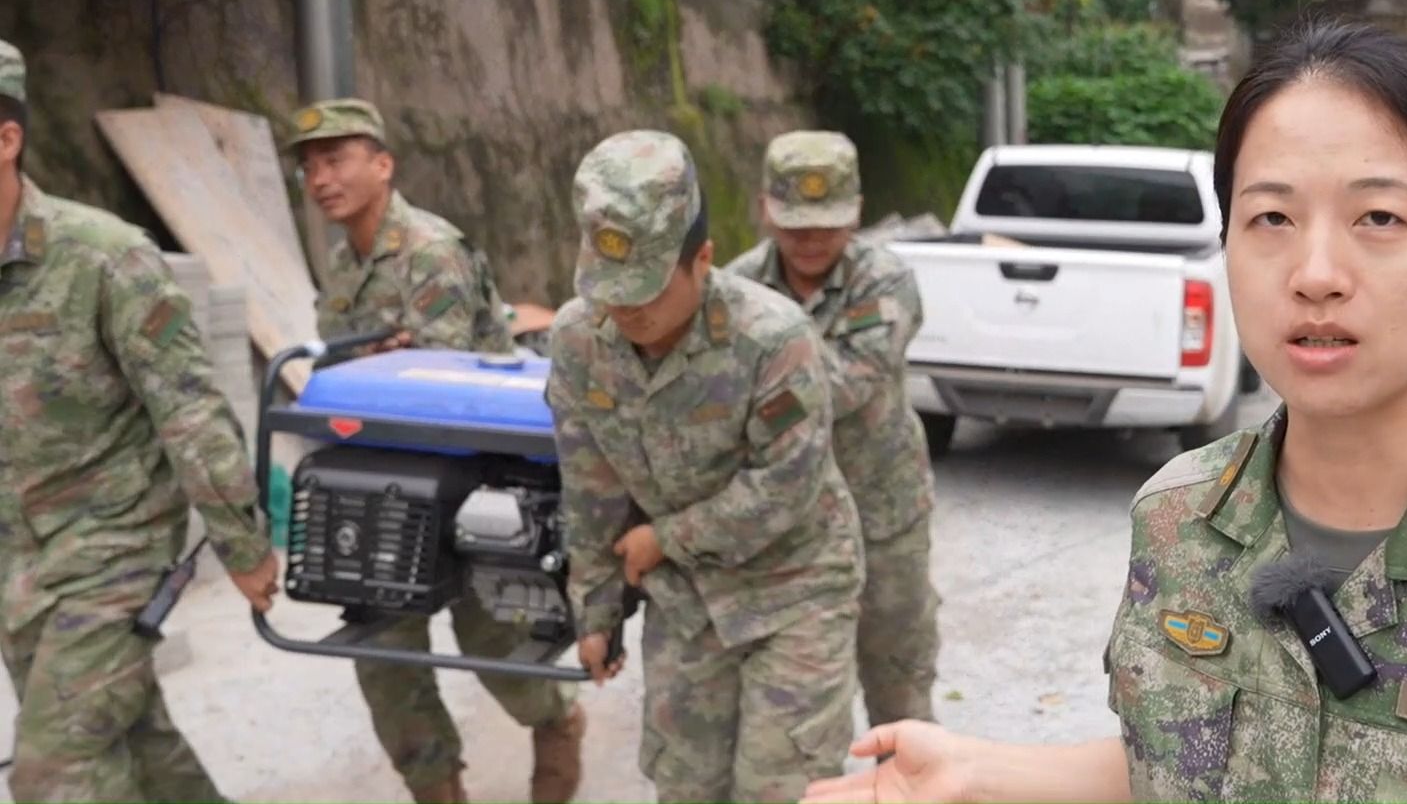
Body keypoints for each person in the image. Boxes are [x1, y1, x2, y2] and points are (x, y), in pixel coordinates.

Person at [801, 19, 1407, 804]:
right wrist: (980, 772)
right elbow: (1194, 762)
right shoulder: (1181, 516)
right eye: (1271, 219)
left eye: (1379, 220)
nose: (1315, 275)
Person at [544, 129, 865, 802]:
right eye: (610, 289)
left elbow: (787, 487)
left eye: (647, 289)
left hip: (795, 589)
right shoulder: (578, 342)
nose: (626, 309)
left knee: (778, 788)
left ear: (703, 261)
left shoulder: (773, 340)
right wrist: (597, 610)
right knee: (687, 785)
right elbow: (590, 487)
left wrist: (666, 538)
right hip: (686, 600)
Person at [0, 38, 279, 802]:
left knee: (54, 771)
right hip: (20, 566)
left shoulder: (104, 258)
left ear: (7, 138)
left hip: (113, 552)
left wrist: (244, 542)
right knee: (136, 746)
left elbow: (189, 409)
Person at [286, 98, 585, 804]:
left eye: (336, 160)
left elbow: (442, 393)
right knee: (386, 667)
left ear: (382, 165)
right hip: (383, 491)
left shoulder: (430, 252)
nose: (320, 179)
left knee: (503, 660)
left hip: (469, 490)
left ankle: (558, 727)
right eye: (309, 167)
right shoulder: (342, 262)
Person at [726, 130, 941, 727]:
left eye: (827, 223)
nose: (811, 240)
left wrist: (762, 379)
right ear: (765, 209)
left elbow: (846, 386)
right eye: (795, 224)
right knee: (787, 703)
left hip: (883, 519)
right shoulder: (736, 286)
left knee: (898, 688)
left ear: (857, 213)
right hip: (784, 524)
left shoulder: (886, 282)